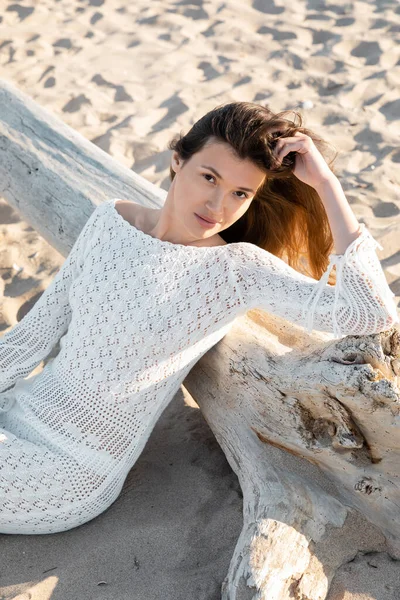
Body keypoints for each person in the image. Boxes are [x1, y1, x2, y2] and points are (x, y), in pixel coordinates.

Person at [0, 102, 398, 535]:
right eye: (209, 177)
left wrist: (325, 183)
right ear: (177, 161)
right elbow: (32, 337)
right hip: (18, 411)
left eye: (240, 194)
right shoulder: (109, 219)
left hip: (71, 468)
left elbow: (368, 311)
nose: (217, 205)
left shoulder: (236, 270)